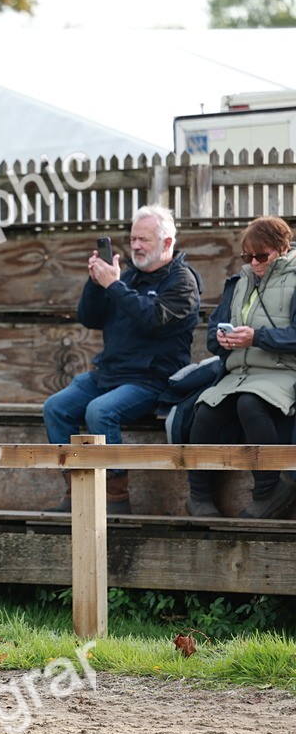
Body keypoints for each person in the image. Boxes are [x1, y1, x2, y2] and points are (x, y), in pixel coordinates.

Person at [43, 205, 201, 514]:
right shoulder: (128, 277)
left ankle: (115, 496)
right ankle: (77, 492)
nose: (136, 246)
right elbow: (90, 318)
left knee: (99, 412)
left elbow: (152, 320)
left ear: (167, 243)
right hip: (110, 374)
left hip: (152, 380)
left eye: (144, 240)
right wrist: (95, 282)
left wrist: (114, 286)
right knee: (56, 408)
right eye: (133, 239)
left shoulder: (182, 282)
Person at [186, 216, 296, 519]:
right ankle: (198, 496)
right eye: (248, 256)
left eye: (262, 255)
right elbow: (211, 338)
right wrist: (223, 338)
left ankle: (269, 491)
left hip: (282, 371)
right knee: (205, 410)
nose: (255, 262)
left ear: (282, 249)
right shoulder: (238, 282)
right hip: (238, 374)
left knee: (251, 404)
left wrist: (257, 337)